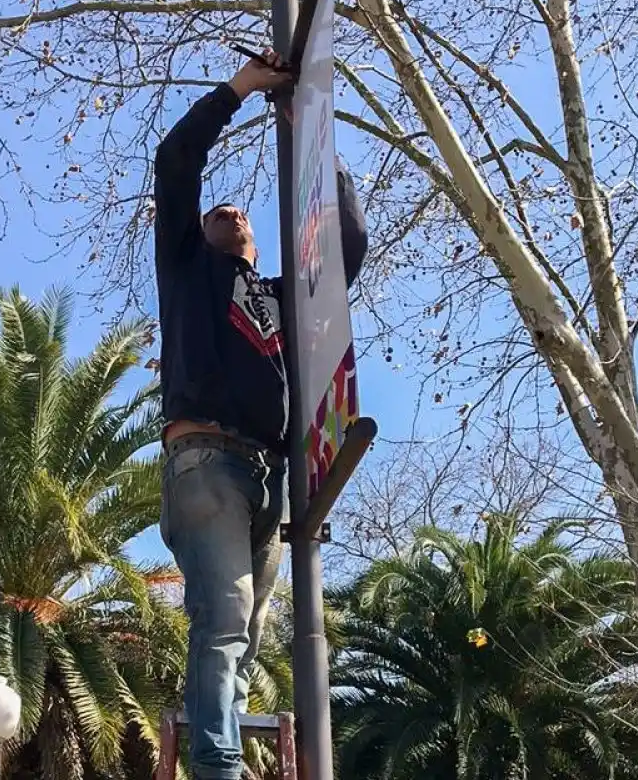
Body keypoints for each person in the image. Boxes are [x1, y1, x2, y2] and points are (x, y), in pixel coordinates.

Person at [153, 48, 368, 780]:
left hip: (274, 480)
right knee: (223, 620)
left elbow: (347, 249)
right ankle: (218, 767)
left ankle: (226, 756)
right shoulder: (187, 270)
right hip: (206, 460)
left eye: (240, 212)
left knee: (246, 632)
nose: (232, 211)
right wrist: (241, 90)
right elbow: (176, 161)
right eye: (219, 211)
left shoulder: (281, 298)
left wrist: (312, 133)